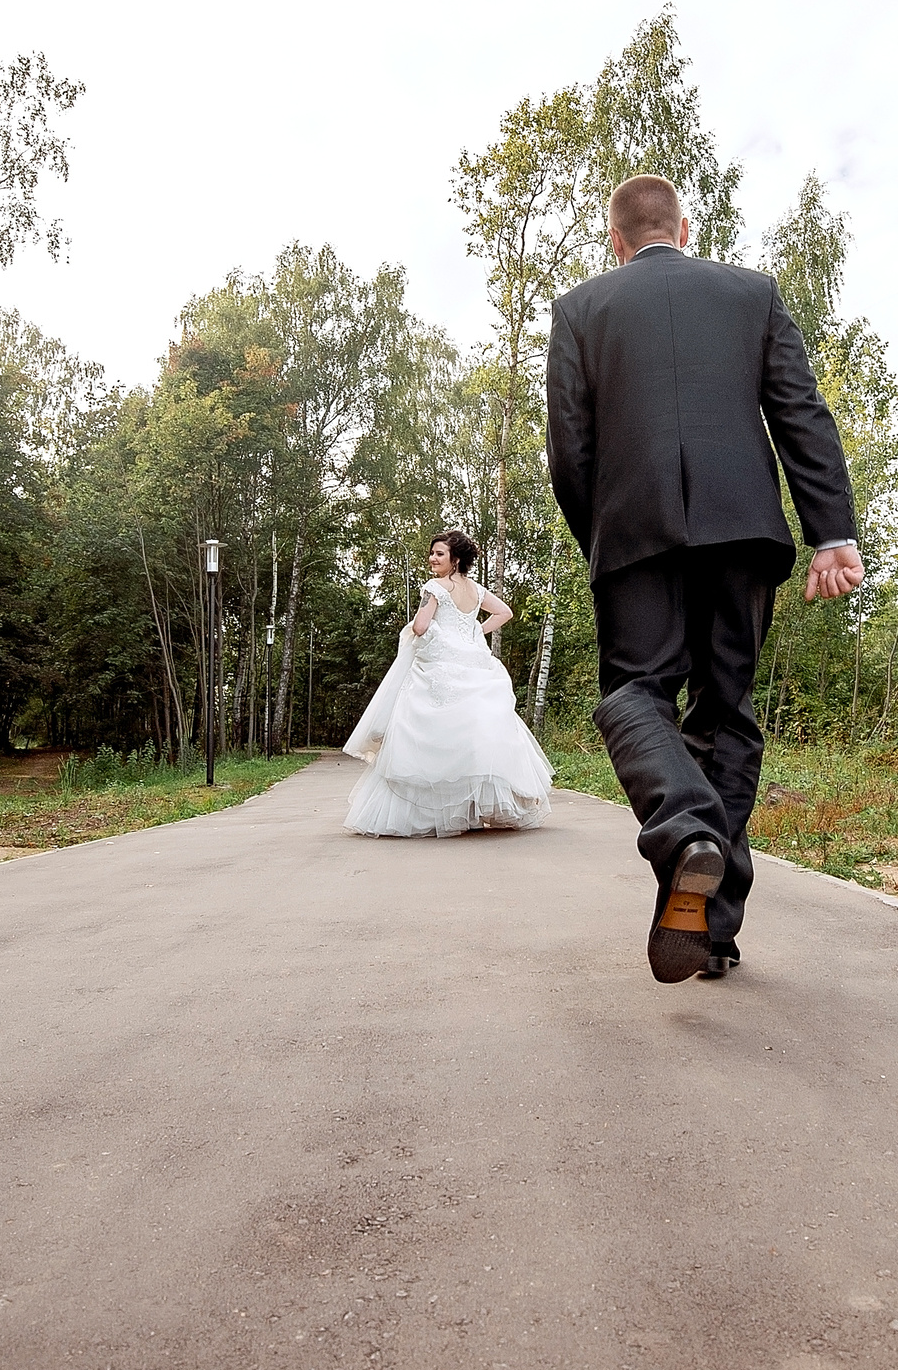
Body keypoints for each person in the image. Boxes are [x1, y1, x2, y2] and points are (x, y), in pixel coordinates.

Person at [546, 173, 863, 982]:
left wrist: (606, 540)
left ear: (615, 241)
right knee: (724, 712)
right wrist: (831, 532)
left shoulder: (582, 309)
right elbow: (802, 412)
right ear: (684, 228)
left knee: (633, 695)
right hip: (744, 529)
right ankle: (714, 927)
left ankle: (688, 829)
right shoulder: (752, 293)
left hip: (636, 533)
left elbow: (569, 453)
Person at [340, 530, 555, 837]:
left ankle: (431, 814)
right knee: (473, 735)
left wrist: (426, 631)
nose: (432, 558)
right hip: (474, 665)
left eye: (439, 554)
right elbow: (505, 612)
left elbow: (421, 625)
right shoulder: (476, 590)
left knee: (431, 734)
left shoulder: (434, 588)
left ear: (455, 560)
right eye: (432, 553)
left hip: (439, 668)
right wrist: (475, 632)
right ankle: (471, 810)